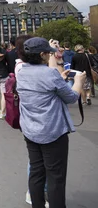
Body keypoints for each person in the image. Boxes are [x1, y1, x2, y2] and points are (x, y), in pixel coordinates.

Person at [17, 37, 86, 208]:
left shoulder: (22, 71)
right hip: (52, 132)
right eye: (49, 53)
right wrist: (78, 82)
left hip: (30, 130)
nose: (51, 55)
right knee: (55, 178)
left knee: (36, 173)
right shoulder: (49, 73)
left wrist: (59, 80)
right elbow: (71, 97)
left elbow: (43, 90)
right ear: (42, 54)